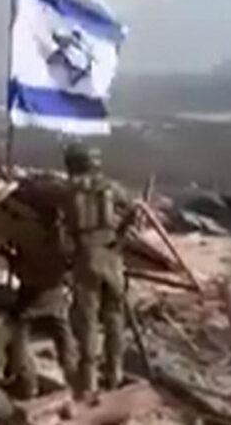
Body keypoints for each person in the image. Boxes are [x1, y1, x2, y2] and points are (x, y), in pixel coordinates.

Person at [0, 178, 79, 399]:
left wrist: (6, 192)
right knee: (61, 329)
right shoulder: (66, 230)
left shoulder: (27, 229)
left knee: (17, 333)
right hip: (57, 289)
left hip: (33, 292)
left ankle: (26, 384)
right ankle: (75, 377)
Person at [64, 143, 137, 395]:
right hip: (111, 256)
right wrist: (120, 240)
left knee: (88, 321)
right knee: (115, 317)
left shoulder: (68, 191)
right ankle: (115, 373)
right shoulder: (112, 188)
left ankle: (89, 381)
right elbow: (134, 210)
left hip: (86, 257)